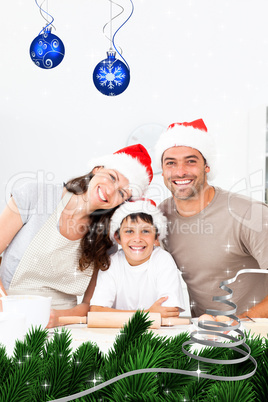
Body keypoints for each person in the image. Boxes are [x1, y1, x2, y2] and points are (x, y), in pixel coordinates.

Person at [0, 144, 153, 327]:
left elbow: (89, 306)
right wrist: (6, 308)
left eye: (122, 193)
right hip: (8, 312)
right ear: (97, 169)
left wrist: (57, 318)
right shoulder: (35, 195)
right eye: (112, 177)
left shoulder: (106, 240)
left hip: (65, 326)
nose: (111, 191)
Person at [154, 119, 268, 318]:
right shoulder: (159, 216)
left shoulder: (250, 214)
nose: (180, 171)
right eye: (171, 163)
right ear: (162, 171)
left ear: (207, 166)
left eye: (191, 161)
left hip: (255, 339)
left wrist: (237, 323)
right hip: (201, 336)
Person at [90, 198, 185, 318]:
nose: (137, 239)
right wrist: (147, 314)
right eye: (129, 231)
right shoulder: (111, 263)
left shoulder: (163, 260)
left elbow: (168, 313)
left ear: (156, 237)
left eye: (145, 231)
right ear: (118, 237)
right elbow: (96, 312)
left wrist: (117, 316)